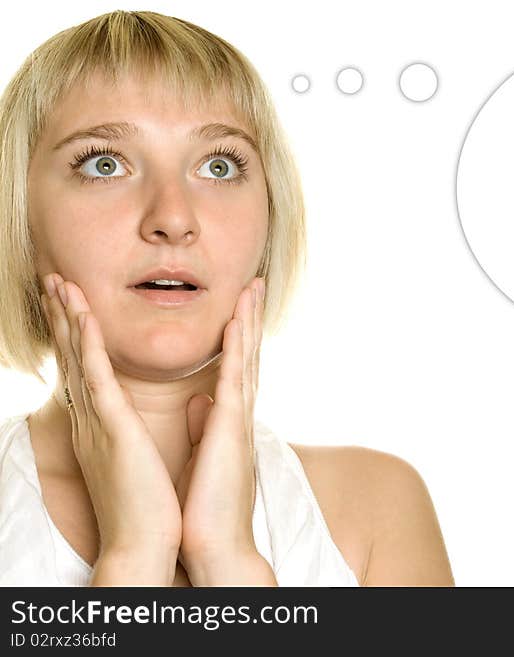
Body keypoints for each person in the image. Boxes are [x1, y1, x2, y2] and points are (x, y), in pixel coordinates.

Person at [0, 10, 454, 586]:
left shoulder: (375, 511)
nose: (172, 218)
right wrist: (134, 555)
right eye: (104, 164)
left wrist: (227, 560)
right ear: (20, 220)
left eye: (219, 166)